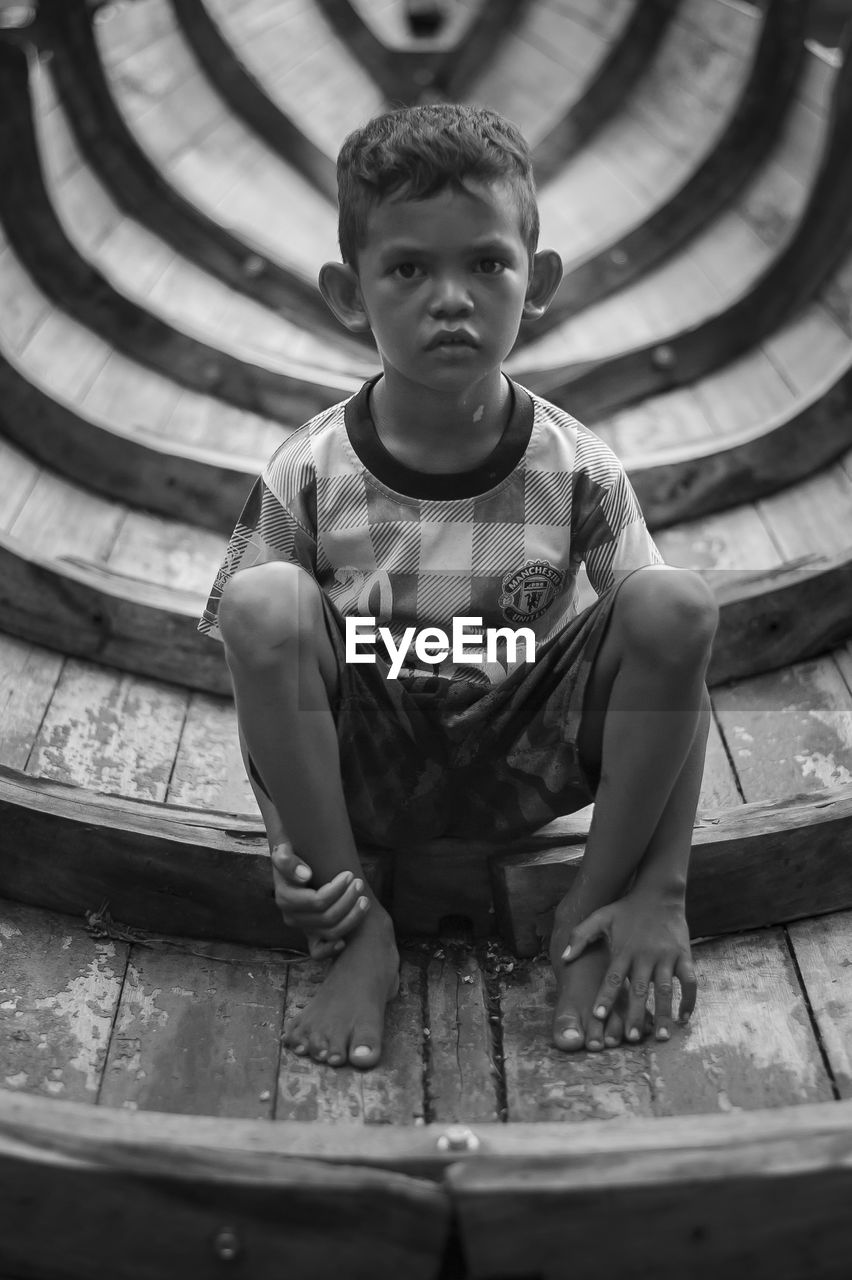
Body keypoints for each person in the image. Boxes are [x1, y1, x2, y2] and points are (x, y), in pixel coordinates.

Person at [199, 103, 718, 1070]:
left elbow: (674, 672)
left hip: (529, 754)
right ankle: (362, 933)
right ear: (351, 296)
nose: (452, 299)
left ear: (540, 280)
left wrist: (664, 887)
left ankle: (593, 907)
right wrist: (292, 851)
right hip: (368, 769)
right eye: (408, 270)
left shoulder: (577, 467)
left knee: (674, 601)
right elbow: (262, 681)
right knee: (259, 603)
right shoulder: (310, 469)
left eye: (486, 264)